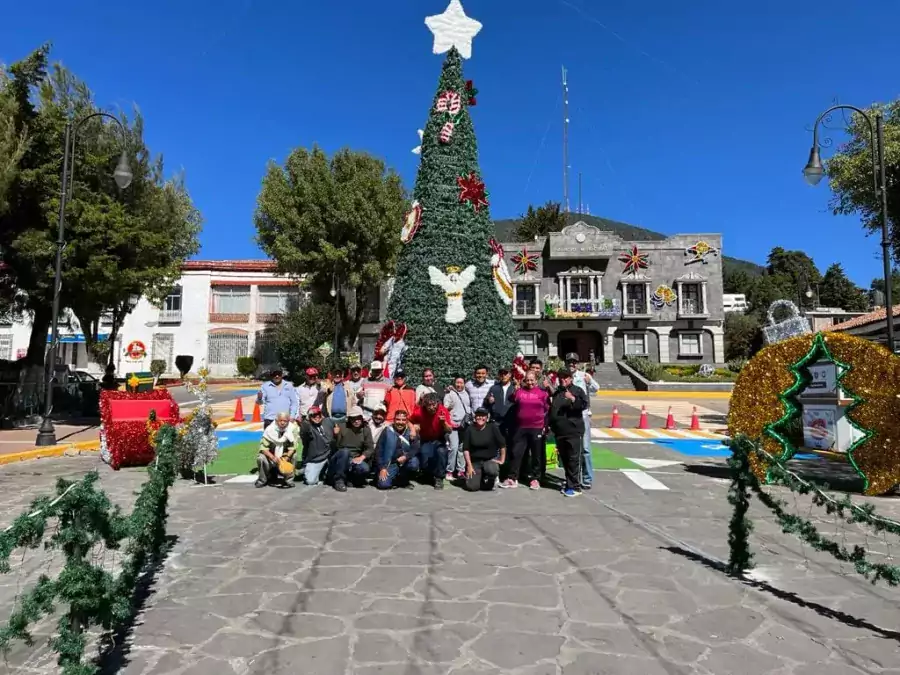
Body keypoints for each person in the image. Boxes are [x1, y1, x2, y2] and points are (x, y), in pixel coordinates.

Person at [502, 372, 549, 490]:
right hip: (521, 428)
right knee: (516, 453)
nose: (530, 382)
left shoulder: (542, 394)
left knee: (536, 455)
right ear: (524, 380)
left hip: (537, 427)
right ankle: (512, 478)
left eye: (532, 380)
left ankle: (535, 479)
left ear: (536, 380)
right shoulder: (520, 392)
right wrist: (515, 389)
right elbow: (511, 399)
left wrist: (546, 426)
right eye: (527, 380)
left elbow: (548, 411)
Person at [548, 368, 589, 497]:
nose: (563, 380)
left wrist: (572, 398)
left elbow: (584, 404)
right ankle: (569, 483)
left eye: (565, 377)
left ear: (570, 378)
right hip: (560, 432)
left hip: (573, 431)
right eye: (561, 377)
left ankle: (575, 486)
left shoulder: (577, 390)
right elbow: (553, 409)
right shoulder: (558, 392)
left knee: (573, 459)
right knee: (565, 459)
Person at [566, 352, 600, 490]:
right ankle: (572, 478)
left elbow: (596, 389)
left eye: (574, 362)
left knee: (585, 448)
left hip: (582, 415)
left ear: (578, 364)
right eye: (570, 362)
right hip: (568, 416)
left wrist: (589, 381)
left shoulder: (584, 376)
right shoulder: (562, 377)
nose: (572, 364)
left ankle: (587, 478)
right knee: (571, 449)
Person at [409, 393, 452, 490]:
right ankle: (428, 474)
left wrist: (443, 423)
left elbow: (449, 430)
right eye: (429, 405)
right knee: (425, 458)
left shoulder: (443, 410)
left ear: (437, 403)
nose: (431, 407)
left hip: (439, 438)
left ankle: (439, 478)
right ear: (425, 405)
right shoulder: (420, 411)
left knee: (441, 452)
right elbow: (409, 420)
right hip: (426, 438)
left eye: (434, 404)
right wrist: (412, 430)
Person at [329, 406, 374, 491]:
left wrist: (361, 457)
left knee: (365, 468)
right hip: (341, 457)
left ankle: (350, 479)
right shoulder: (342, 427)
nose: (356, 421)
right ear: (349, 419)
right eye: (353, 418)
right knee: (345, 452)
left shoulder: (366, 430)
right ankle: (339, 480)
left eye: (358, 418)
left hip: (355, 458)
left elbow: (370, 448)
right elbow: (334, 447)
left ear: (362, 418)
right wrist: (335, 436)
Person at [462, 407, 506, 492]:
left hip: (489, 460)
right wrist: (469, 466)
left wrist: (502, 459)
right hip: (475, 461)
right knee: (472, 487)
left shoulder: (492, 427)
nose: (480, 418)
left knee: (491, 470)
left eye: (483, 416)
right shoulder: (470, 429)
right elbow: (466, 449)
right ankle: (479, 478)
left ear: (487, 417)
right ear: (475, 417)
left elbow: (502, 444)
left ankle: (492, 478)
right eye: (478, 415)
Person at [375, 409, 420, 489]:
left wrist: (406, 457)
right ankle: (396, 480)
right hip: (390, 463)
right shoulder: (387, 431)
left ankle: (404, 479)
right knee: (383, 485)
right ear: (394, 420)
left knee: (414, 463)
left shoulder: (411, 432)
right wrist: (382, 468)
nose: (400, 422)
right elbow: (379, 450)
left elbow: (415, 448)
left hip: (404, 462)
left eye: (403, 420)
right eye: (398, 419)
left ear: (406, 421)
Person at [255, 412, 299, 488]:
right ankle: (262, 480)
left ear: (288, 421)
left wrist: (286, 457)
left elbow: (293, 447)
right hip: (271, 456)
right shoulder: (269, 429)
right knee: (261, 458)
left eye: (285, 421)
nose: (282, 423)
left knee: (294, 455)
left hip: (284, 456)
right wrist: (273, 457)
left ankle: (289, 480)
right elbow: (263, 448)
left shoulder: (292, 429)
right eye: (280, 420)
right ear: (276, 421)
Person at [443, 375, 472, 480]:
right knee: (453, 447)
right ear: (454, 383)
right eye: (457, 383)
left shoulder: (467, 394)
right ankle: (449, 471)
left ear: (464, 383)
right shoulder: (449, 394)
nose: (459, 385)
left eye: (461, 383)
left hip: (464, 425)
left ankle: (461, 470)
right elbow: (445, 409)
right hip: (453, 425)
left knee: (462, 448)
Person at [486, 368, 517, 464]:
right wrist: (489, 400)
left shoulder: (515, 388)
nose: (503, 376)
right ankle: (496, 470)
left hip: (511, 421)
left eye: (506, 373)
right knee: (497, 445)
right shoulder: (494, 388)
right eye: (501, 374)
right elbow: (487, 402)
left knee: (511, 445)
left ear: (510, 375)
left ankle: (509, 469)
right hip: (497, 421)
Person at [299, 405, 335, 485]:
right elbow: (304, 431)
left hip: (329, 455)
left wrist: (336, 429)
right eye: (314, 415)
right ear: (309, 417)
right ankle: (306, 469)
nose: (317, 417)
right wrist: (307, 419)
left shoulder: (328, 421)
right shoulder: (307, 427)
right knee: (310, 481)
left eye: (319, 414)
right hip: (315, 459)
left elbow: (337, 423)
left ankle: (324, 472)